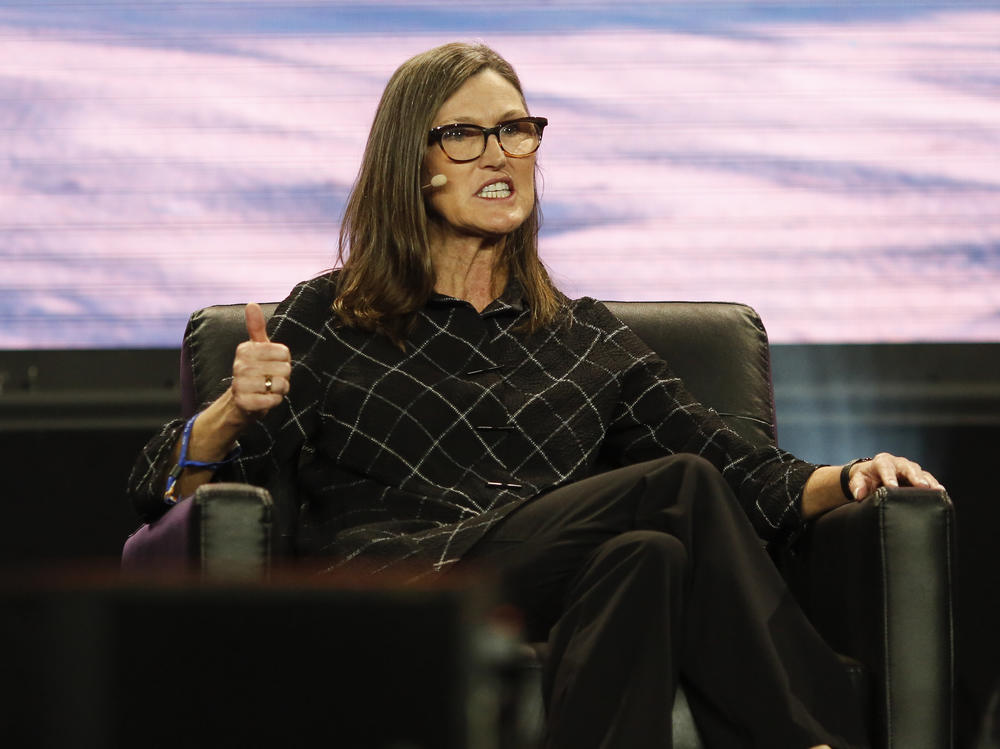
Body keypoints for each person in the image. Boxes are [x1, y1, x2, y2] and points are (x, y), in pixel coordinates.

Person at [128, 42, 944, 749]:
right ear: (412, 163)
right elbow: (157, 494)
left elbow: (743, 471)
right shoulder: (327, 319)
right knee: (676, 490)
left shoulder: (581, 337)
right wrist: (229, 410)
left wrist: (855, 476)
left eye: (516, 130)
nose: (499, 154)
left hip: (544, 580)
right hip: (397, 589)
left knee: (648, 554)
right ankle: (813, 736)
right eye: (465, 134)